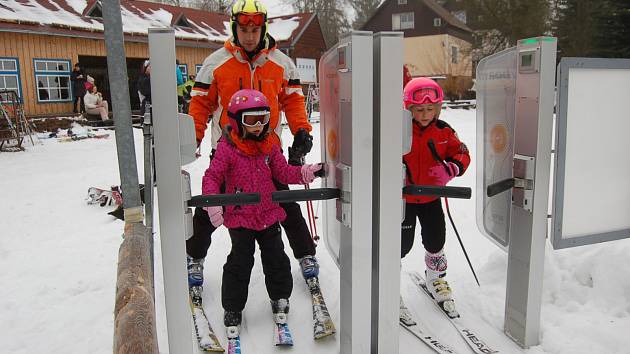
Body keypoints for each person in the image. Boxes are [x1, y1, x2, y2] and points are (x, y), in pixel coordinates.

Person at [187, 0, 319, 302]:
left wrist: (302, 130)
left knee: (285, 203)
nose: (249, 36)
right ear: (235, 28)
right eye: (244, 29)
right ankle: (194, 256)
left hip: (267, 152)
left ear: (263, 29)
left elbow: (294, 101)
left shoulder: (281, 63)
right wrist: (191, 138)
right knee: (209, 207)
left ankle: (306, 255)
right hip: (227, 150)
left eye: (255, 29)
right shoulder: (216, 62)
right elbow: (200, 105)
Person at [201, 89, 324, 333]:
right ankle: (233, 307)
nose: (258, 126)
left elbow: (283, 173)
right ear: (236, 121)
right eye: (251, 120)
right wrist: (213, 201)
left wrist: (305, 172)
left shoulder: (270, 146)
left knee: (276, 257)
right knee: (240, 262)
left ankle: (280, 296)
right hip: (240, 217)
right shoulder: (227, 148)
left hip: (268, 214)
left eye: (263, 119)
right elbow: (212, 176)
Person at [400, 77, 470, 314]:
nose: (425, 114)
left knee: (435, 239)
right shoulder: (399, 129)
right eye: (419, 109)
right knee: (400, 245)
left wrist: (451, 168)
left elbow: (461, 153)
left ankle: (436, 277)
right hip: (404, 200)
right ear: (409, 108)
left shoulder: (444, 131)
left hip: (431, 197)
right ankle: (388, 284)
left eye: (430, 109)